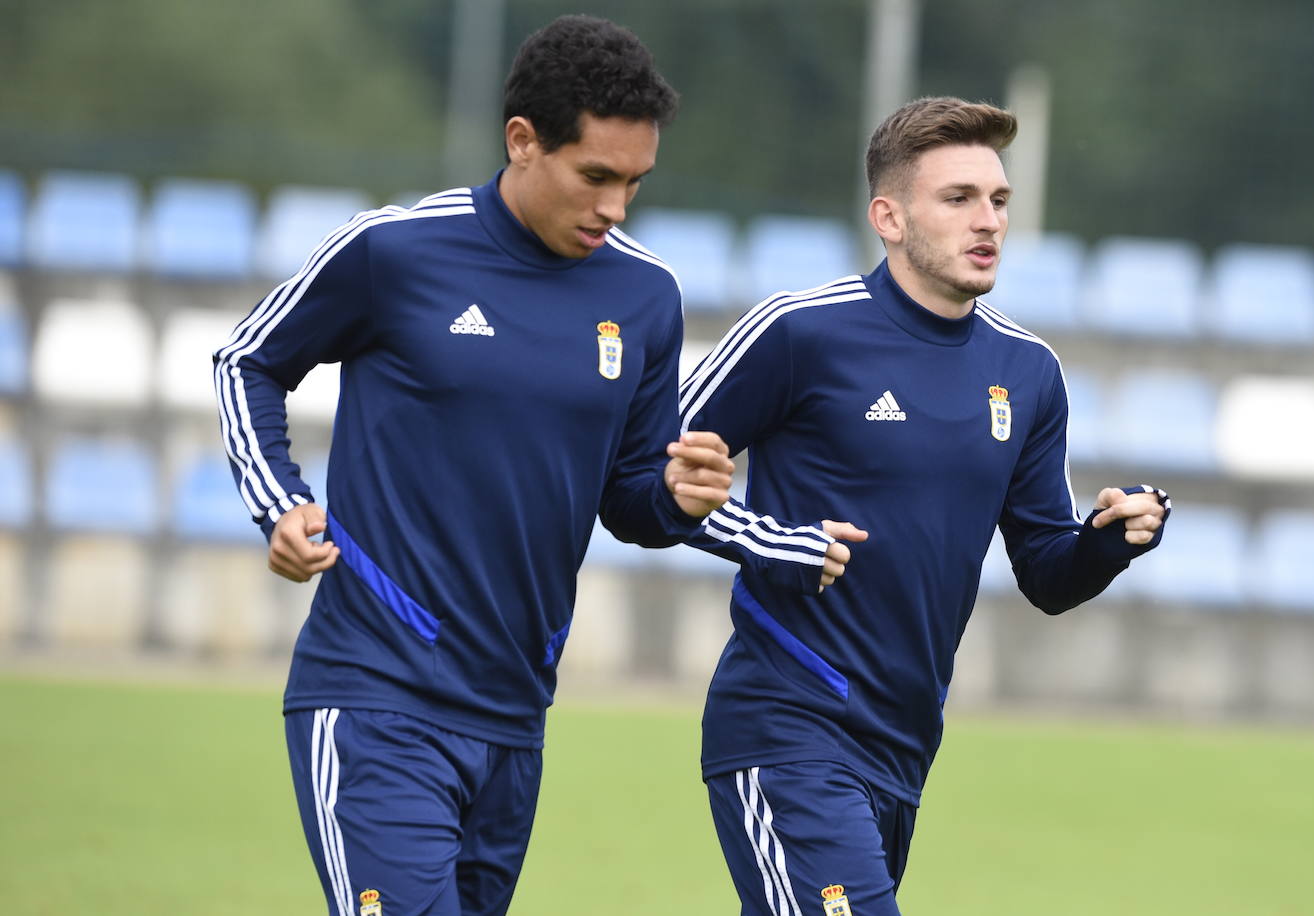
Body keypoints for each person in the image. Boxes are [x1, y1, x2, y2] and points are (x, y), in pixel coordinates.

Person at [212, 16, 734, 915]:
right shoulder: (394, 251)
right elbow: (246, 361)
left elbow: (632, 502)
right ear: (522, 142)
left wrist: (681, 499)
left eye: (635, 183)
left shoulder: (646, 297)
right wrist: (280, 505)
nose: (615, 207)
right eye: (596, 177)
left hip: (514, 719)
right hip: (376, 697)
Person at [679, 96, 1171, 915]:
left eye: (999, 200)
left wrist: (1111, 540)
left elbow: (1048, 571)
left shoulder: (1029, 371)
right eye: (959, 199)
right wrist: (771, 541)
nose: (989, 221)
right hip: (787, 728)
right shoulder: (801, 331)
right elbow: (640, 472)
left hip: (903, 746)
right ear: (890, 216)